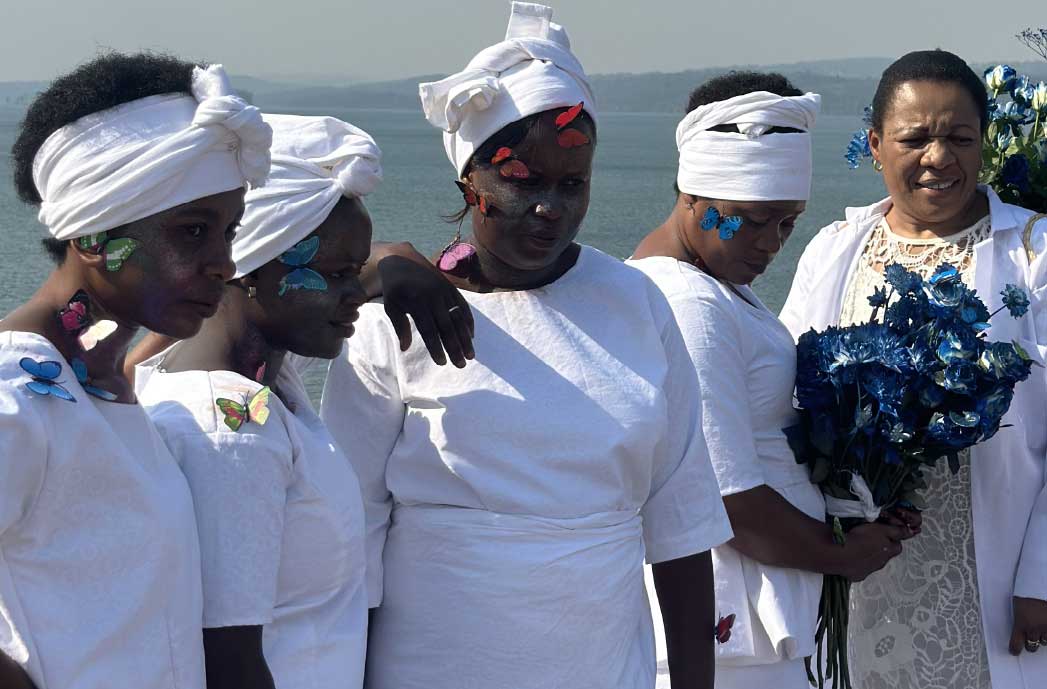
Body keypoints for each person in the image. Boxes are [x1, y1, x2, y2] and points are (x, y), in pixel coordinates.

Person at [318, 3, 733, 688]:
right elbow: (348, 530)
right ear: (468, 180)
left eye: (572, 184)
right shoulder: (396, 319)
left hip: (601, 666)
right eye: (523, 180)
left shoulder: (635, 304)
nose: (551, 207)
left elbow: (680, 525)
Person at [629, 72, 915, 689]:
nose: (770, 244)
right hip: (734, 617)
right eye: (749, 221)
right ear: (693, 195)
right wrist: (844, 553)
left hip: (752, 611)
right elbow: (725, 494)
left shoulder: (714, 284)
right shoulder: (690, 303)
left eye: (786, 223)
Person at [0, 52, 271, 689]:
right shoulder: (20, 392)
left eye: (229, 232)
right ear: (92, 235)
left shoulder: (100, 382)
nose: (223, 265)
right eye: (193, 230)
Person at [780, 49, 1047, 689]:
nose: (938, 157)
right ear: (875, 144)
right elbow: (782, 393)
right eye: (914, 138)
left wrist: (1041, 576)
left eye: (959, 137)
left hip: (991, 573)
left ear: (983, 143)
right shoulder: (834, 249)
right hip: (856, 568)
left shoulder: (1034, 255)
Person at [133, 114, 381, 689]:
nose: (356, 296)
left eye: (359, 271)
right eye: (339, 273)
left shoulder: (267, 391)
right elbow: (228, 658)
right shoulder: (230, 430)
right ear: (248, 269)